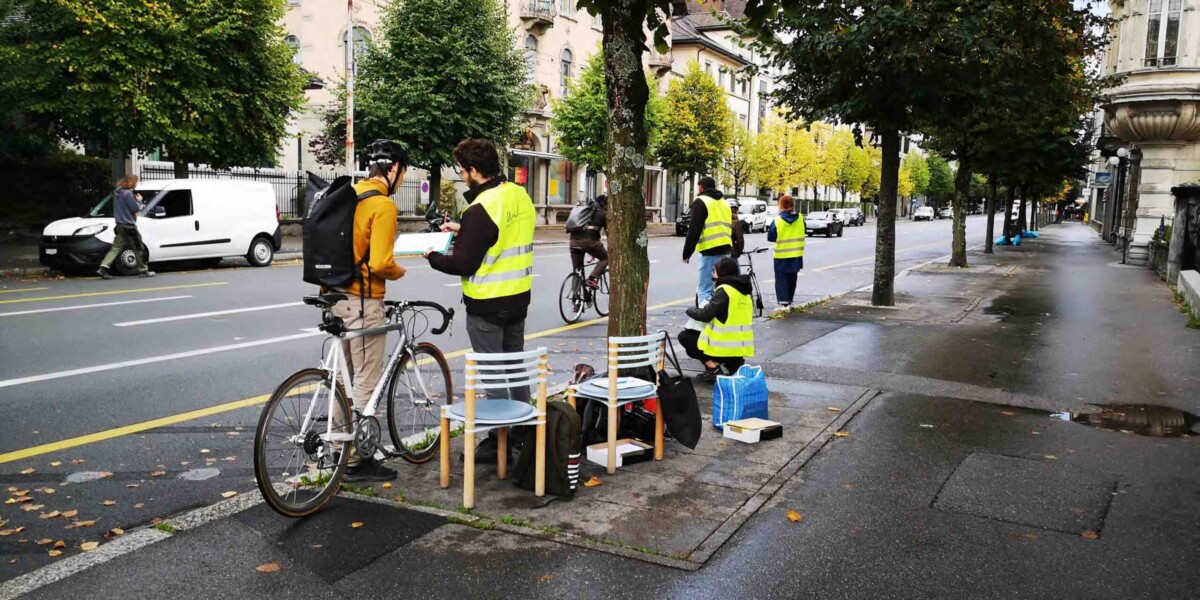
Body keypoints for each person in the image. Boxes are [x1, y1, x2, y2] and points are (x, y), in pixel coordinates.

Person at [424, 139, 535, 463]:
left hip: (487, 305)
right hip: (517, 300)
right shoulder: (518, 195)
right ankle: (522, 432)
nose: (462, 175)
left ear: (474, 171)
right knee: (515, 368)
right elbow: (501, 234)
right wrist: (464, 229)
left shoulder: (479, 209)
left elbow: (463, 264)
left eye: (462, 170)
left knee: (494, 374)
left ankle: (498, 441)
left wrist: (432, 255)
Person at [332, 139, 409, 482]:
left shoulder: (349, 195)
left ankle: (338, 448)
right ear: (393, 169)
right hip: (363, 300)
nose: (403, 179)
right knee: (365, 377)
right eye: (403, 172)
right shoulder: (383, 206)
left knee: (343, 378)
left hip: (335, 295)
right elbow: (380, 262)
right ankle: (356, 459)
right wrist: (399, 270)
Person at [678, 257, 755, 382]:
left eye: (715, 270)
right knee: (737, 380)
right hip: (739, 348)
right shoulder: (744, 292)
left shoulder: (724, 290)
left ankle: (713, 368)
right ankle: (734, 367)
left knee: (686, 337)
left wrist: (690, 310)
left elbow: (705, 315)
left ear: (722, 272)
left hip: (722, 346)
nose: (713, 273)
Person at [682, 176, 743, 306]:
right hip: (726, 250)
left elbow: (694, 229)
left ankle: (705, 321)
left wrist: (687, 252)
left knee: (704, 289)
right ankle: (721, 317)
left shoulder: (701, 201)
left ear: (701, 187)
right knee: (721, 288)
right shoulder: (724, 203)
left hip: (710, 251)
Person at [97, 175, 154, 279]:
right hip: (129, 226)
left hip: (119, 224)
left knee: (116, 248)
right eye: (136, 182)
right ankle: (143, 270)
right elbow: (135, 208)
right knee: (138, 247)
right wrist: (140, 200)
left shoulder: (117, 193)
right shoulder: (127, 194)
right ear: (131, 182)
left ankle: (103, 268)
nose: (136, 184)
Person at [767, 195, 804, 307]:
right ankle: (790, 300)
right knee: (792, 278)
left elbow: (771, 237)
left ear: (781, 205)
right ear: (792, 205)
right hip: (797, 254)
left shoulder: (778, 220)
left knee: (781, 278)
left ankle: (784, 304)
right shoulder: (800, 218)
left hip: (781, 255)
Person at [569, 194, 608, 287]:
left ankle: (575, 296)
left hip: (573, 241)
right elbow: (609, 233)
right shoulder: (603, 213)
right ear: (603, 204)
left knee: (577, 270)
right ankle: (592, 278)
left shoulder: (584, 211)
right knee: (606, 258)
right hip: (589, 242)